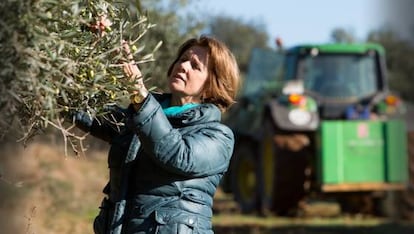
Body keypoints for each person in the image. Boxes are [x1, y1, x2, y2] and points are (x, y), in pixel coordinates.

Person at [75, 35, 241, 234]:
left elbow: (176, 153)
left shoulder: (218, 136)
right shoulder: (137, 117)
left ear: (212, 85)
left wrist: (139, 94)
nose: (183, 66)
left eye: (195, 65)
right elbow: (86, 111)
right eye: (182, 59)